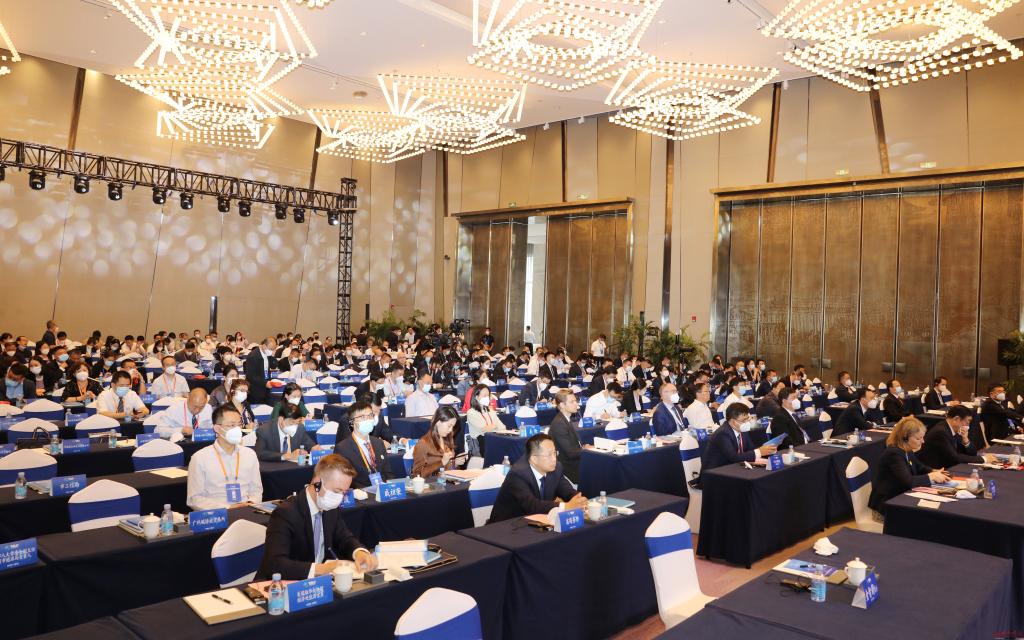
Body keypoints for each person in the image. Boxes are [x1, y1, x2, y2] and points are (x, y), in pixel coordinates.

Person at [256, 454, 378, 580]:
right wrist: (321, 569)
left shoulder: (330, 508)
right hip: (284, 583)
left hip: (319, 583)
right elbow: (275, 564)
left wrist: (359, 552)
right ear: (317, 483)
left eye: (344, 492)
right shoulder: (286, 513)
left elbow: (345, 538)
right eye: (336, 491)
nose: (340, 498)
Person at [488, 433, 588, 523]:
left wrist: (579, 500)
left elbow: (567, 491)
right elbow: (532, 506)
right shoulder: (518, 474)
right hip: (507, 526)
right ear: (534, 459)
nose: (554, 459)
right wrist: (565, 506)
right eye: (549, 455)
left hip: (538, 523)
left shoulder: (556, 468)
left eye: (554, 453)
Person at [868, 417, 950, 517]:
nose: (923, 441)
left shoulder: (906, 449)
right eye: (918, 438)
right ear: (905, 438)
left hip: (898, 497)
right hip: (886, 507)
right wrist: (931, 476)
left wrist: (933, 471)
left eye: (922, 437)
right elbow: (909, 482)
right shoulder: (894, 454)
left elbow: (919, 466)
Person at [186, 404, 263, 510]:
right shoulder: (200, 458)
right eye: (232, 425)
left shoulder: (250, 454)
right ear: (217, 428)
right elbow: (194, 499)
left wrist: (250, 503)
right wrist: (228, 507)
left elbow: (256, 490)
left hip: (247, 510)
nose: (237, 429)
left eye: (239, 424)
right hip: (217, 514)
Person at [700, 403, 777, 475]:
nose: (747, 422)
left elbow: (750, 449)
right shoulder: (723, 433)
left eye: (748, 419)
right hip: (714, 473)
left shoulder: (742, 430)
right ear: (733, 421)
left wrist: (766, 450)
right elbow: (734, 457)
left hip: (733, 468)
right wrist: (759, 452)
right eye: (744, 420)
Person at [333, 400, 392, 488]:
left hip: (383, 491)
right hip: (361, 493)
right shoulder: (342, 449)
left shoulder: (379, 443)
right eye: (362, 417)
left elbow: (388, 473)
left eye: (370, 415)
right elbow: (344, 482)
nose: (368, 420)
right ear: (352, 422)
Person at [917, 405, 986, 469]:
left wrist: (966, 439)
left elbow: (973, 453)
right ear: (956, 419)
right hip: (936, 469)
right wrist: (984, 459)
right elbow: (955, 458)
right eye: (967, 422)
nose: (968, 425)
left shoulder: (955, 429)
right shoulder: (941, 432)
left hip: (949, 465)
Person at [255, 403, 320, 462]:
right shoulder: (264, 430)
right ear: (281, 419)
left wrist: (314, 449)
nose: (294, 427)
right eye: (292, 422)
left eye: (297, 422)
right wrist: (287, 456)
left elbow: (310, 446)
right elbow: (260, 453)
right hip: (274, 467)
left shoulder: (300, 428)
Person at [411, 406, 464, 478]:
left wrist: (455, 463)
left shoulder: (448, 438)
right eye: (449, 426)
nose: (451, 430)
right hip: (432, 484)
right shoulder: (423, 444)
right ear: (438, 422)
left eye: (453, 427)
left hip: (447, 482)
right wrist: (441, 462)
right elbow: (417, 475)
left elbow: (449, 470)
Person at [547, 390, 585, 484]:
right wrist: (587, 451)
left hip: (573, 461)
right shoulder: (559, 423)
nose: (576, 404)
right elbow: (571, 453)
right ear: (562, 405)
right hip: (567, 467)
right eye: (572, 402)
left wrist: (585, 448)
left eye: (576, 401)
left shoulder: (565, 419)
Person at [466, 384, 501, 458]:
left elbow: (502, 426)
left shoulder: (490, 410)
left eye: (488, 395)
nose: (487, 398)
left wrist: (494, 426)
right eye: (484, 395)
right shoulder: (471, 412)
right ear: (476, 397)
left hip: (494, 440)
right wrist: (496, 426)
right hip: (481, 444)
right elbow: (484, 429)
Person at [244, 337, 278, 406]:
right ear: (264, 346)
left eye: (274, 349)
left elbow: (274, 366)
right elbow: (251, 376)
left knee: (266, 407)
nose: (272, 351)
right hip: (256, 389)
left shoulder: (268, 353)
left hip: (266, 386)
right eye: (271, 349)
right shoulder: (253, 356)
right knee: (257, 409)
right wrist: (265, 383)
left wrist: (273, 356)